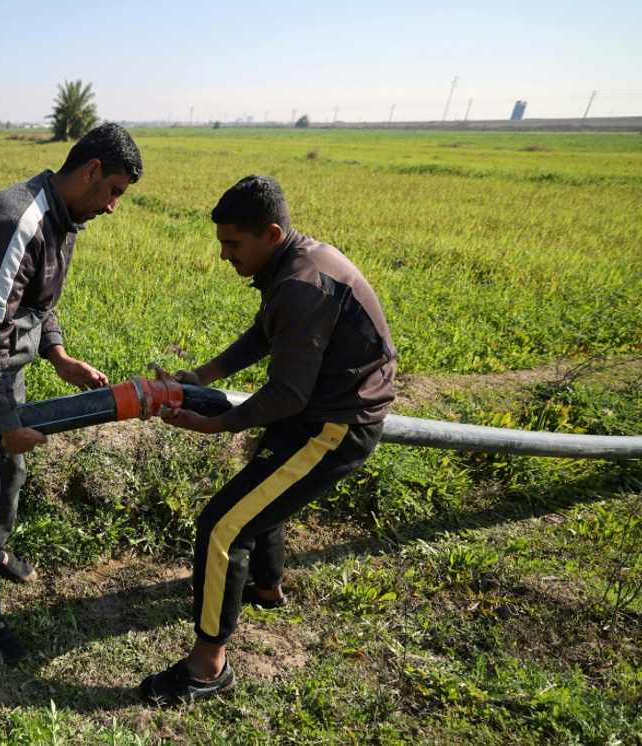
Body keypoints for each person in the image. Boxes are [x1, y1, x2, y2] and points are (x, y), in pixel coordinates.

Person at [140, 175, 396, 705]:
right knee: (262, 493)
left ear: (272, 233)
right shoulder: (298, 262)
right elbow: (266, 333)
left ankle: (208, 667)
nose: (224, 256)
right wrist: (203, 375)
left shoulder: (302, 285)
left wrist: (213, 424)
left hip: (334, 424)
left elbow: (286, 397)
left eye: (233, 245)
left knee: (222, 528)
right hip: (321, 407)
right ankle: (266, 588)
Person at [0, 123, 143, 664]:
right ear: (91, 171)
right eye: (113, 190)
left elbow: (38, 304)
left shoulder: (63, 219)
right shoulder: (15, 220)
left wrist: (59, 355)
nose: (114, 206)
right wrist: (4, 419)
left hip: (1, 370)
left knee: (10, 475)